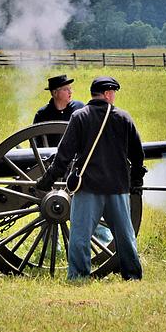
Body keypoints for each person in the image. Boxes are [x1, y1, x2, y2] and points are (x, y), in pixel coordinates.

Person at [36, 76, 145, 280]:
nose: (113, 96)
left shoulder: (80, 117)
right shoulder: (123, 118)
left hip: (88, 187)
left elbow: (64, 155)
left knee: (80, 236)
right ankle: (132, 275)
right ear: (106, 94)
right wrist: (136, 182)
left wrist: (47, 180)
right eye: (112, 93)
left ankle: (78, 276)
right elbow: (138, 155)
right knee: (125, 236)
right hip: (117, 187)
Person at [33, 75, 84, 146]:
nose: (70, 92)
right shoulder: (42, 114)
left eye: (70, 88)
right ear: (55, 93)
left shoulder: (80, 108)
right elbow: (36, 142)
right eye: (66, 89)